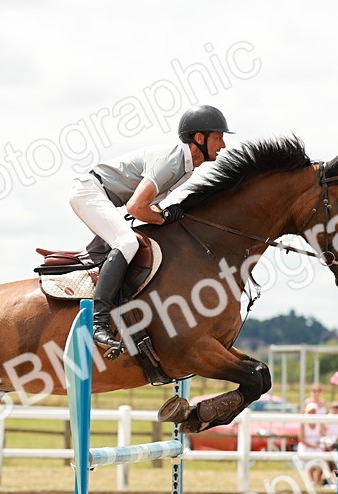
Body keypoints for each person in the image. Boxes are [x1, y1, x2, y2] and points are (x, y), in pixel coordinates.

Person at [69, 105, 232, 358]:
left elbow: (147, 205)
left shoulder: (186, 168)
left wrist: (163, 215)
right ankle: (98, 322)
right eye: (218, 137)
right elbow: (136, 207)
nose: (223, 145)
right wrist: (163, 217)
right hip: (90, 191)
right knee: (127, 242)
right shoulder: (173, 160)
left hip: (104, 196)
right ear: (199, 138)